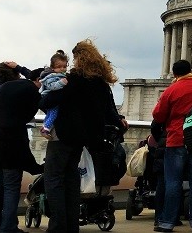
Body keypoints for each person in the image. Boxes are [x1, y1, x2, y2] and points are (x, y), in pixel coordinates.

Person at [39, 39, 128, 233]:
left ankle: (57, 226)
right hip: (84, 140)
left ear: (79, 59)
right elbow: (110, 112)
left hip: (63, 136)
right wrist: (120, 122)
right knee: (71, 179)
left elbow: (48, 101)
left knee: (53, 179)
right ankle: (71, 226)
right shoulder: (101, 85)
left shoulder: (74, 80)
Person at [0, 62, 43, 233]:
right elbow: (26, 119)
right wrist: (34, 166)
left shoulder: (4, 89)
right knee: (11, 186)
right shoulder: (32, 92)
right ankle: (8, 228)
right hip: (9, 144)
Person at [152, 59, 192, 232]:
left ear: (175, 73)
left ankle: (167, 222)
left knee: (173, 182)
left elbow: (158, 115)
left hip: (176, 139)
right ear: (191, 70)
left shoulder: (171, 90)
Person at [39, 50, 69, 139]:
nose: (62, 69)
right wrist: (62, 83)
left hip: (50, 98)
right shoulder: (52, 76)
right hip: (50, 98)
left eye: (64, 67)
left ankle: (44, 126)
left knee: (49, 114)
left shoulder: (59, 75)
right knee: (54, 114)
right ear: (53, 68)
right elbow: (52, 87)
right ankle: (46, 129)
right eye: (59, 67)